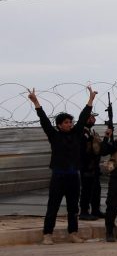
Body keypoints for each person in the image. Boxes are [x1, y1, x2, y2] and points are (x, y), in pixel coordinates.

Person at [28, 86, 97, 245]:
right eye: (66, 122)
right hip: (58, 176)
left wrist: (91, 99)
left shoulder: (76, 134)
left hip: (74, 176)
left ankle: (73, 233)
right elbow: (44, 120)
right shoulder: (54, 136)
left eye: (70, 122)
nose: (70, 124)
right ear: (59, 125)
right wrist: (35, 101)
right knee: (53, 206)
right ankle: (47, 234)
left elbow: (83, 116)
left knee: (73, 208)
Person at [79, 111, 104, 220]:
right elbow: (82, 151)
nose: (92, 119)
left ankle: (95, 210)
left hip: (94, 166)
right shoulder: (81, 132)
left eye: (93, 117)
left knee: (96, 189)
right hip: (86, 166)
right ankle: (84, 212)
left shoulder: (91, 132)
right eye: (90, 117)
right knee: (86, 189)